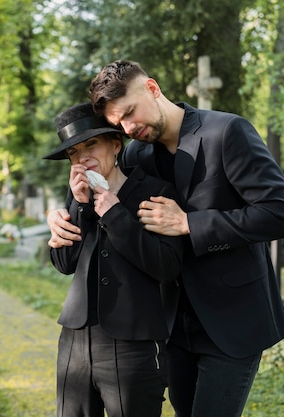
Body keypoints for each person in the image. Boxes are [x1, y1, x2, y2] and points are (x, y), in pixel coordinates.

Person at [47, 60, 284, 417]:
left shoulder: (227, 132)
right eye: (119, 123)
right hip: (170, 322)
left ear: (152, 88)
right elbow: (109, 185)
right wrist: (63, 212)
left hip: (231, 318)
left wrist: (190, 224)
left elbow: (280, 214)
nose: (130, 127)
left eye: (131, 112)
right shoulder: (137, 152)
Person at [43, 102, 183, 417]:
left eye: (91, 144)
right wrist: (78, 206)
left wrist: (114, 213)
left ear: (115, 144)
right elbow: (64, 263)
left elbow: (167, 267)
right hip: (74, 344)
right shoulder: (77, 197)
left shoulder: (156, 192)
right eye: (74, 152)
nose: (82, 157)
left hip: (135, 345)